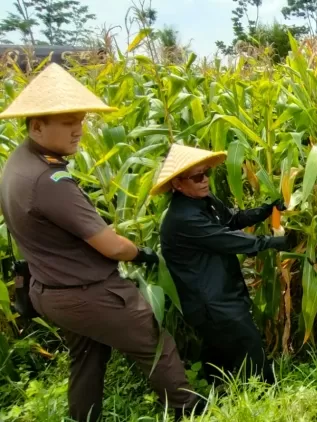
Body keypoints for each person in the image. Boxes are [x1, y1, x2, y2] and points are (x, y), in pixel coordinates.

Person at [0, 63, 200, 421]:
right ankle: (190, 411)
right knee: (154, 342)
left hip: (50, 291)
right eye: (68, 123)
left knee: (87, 355)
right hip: (88, 294)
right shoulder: (50, 181)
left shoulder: (17, 163)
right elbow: (111, 246)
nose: (78, 130)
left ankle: (84, 417)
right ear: (37, 125)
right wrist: (141, 252)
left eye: (80, 120)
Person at [153, 144, 295, 384]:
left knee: (220, 351)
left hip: (221, 291)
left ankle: (220, 391)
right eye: (197, 177)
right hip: (210, 301)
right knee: (248, 345)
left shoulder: (205, 200)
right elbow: (227, 240)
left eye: (206, 173)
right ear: (177, 184)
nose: (205, 181)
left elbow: (232, 220)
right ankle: (266, 394)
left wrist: (268, 208)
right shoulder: (183, 218)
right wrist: (276, 242)